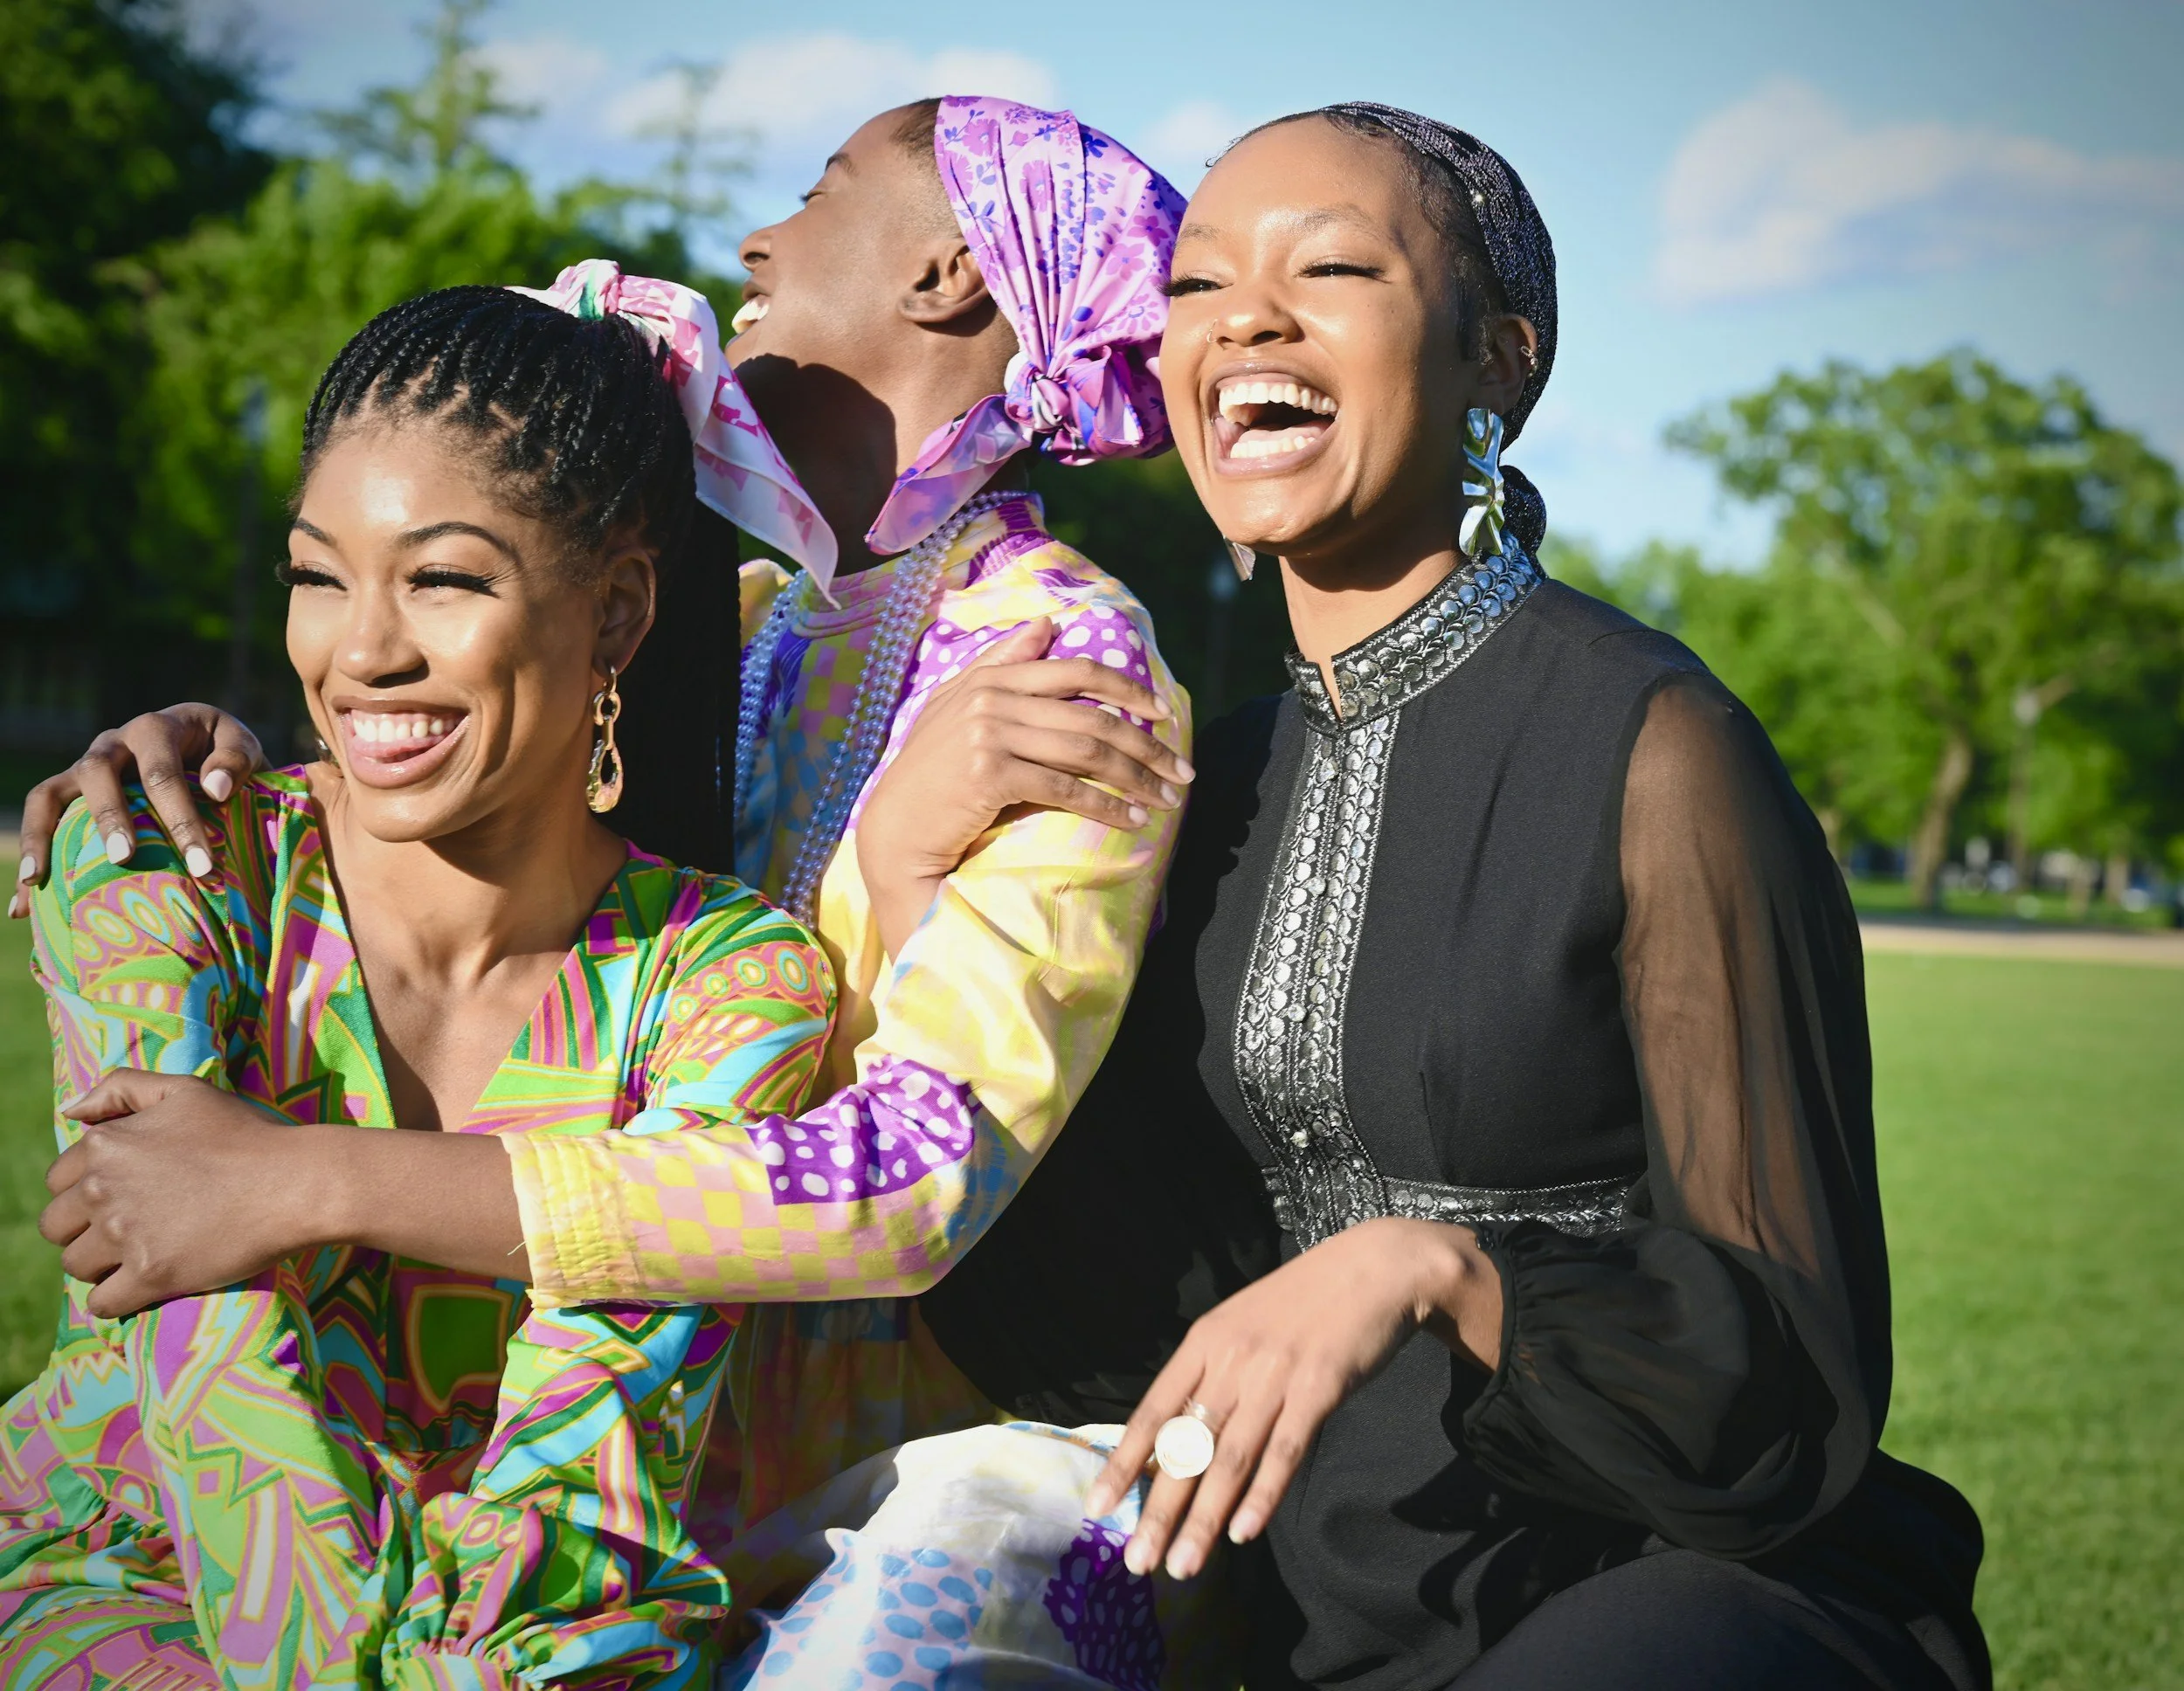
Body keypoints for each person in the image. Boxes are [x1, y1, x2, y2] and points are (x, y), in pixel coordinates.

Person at [15, 97, 1205, 1660]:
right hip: (476, 1454)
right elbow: (474, 792)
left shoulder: (1059, 651)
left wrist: (302, 1177)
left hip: (770, 1459)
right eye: (318, 575)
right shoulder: (769, 609)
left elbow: (914, 1170)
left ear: (943, 275)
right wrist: (231, 764)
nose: (756, 241)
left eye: (816, 187)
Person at [888, 105, 1992, 1689]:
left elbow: (1794, 1368)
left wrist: (1441, 1265)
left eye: (1330, 267)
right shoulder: (1215, 783)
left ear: (1497, 362)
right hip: (1323, 1600)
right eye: (1198, 287)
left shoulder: (1658, 751)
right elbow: (1085, 1310)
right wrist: (912, 874)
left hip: (1668, 1578)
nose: (1246, 321)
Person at [0, 278, 836, 1688]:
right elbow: (215, 1380)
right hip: (138, 1567)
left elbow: (596, 1461)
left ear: (617, 611)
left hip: (536, 1635)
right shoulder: (167, 871)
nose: (362, 651)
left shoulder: (728, 981)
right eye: (319, 576)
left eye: (443, 578)